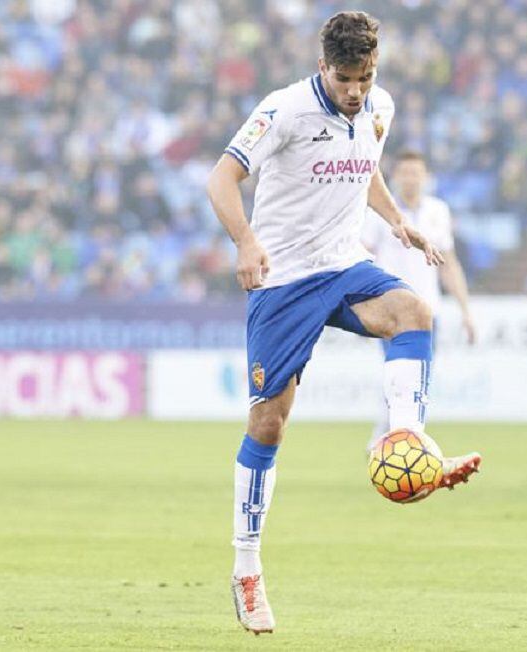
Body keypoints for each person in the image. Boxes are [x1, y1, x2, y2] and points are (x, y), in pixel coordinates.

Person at [206, 11, 481, 636]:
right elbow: (220, 178)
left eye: (366, 76)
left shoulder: (380, 105)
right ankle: (246, 566)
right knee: (269, 423)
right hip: (283, 280)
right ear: (322, 65)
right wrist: (245, 243)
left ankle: (406, 439)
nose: (356, 90)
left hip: (344, 263)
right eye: (346, 77)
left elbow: (367, 167)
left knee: (415, 311)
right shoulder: (282, 111)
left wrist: (396, 220)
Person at [363, 150, 476, 444]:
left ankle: (390, 436)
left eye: (416, 173)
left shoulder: (437, 211)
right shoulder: (379, 210)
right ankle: (397, 440)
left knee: (418, 379)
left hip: (427, 310)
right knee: (398, 373)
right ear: (395, 177)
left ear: (426, 178)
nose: (410, 179)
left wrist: (466, 311)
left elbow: (448, 264)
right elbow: (364, 255)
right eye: (405, 172)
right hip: (389, 308)